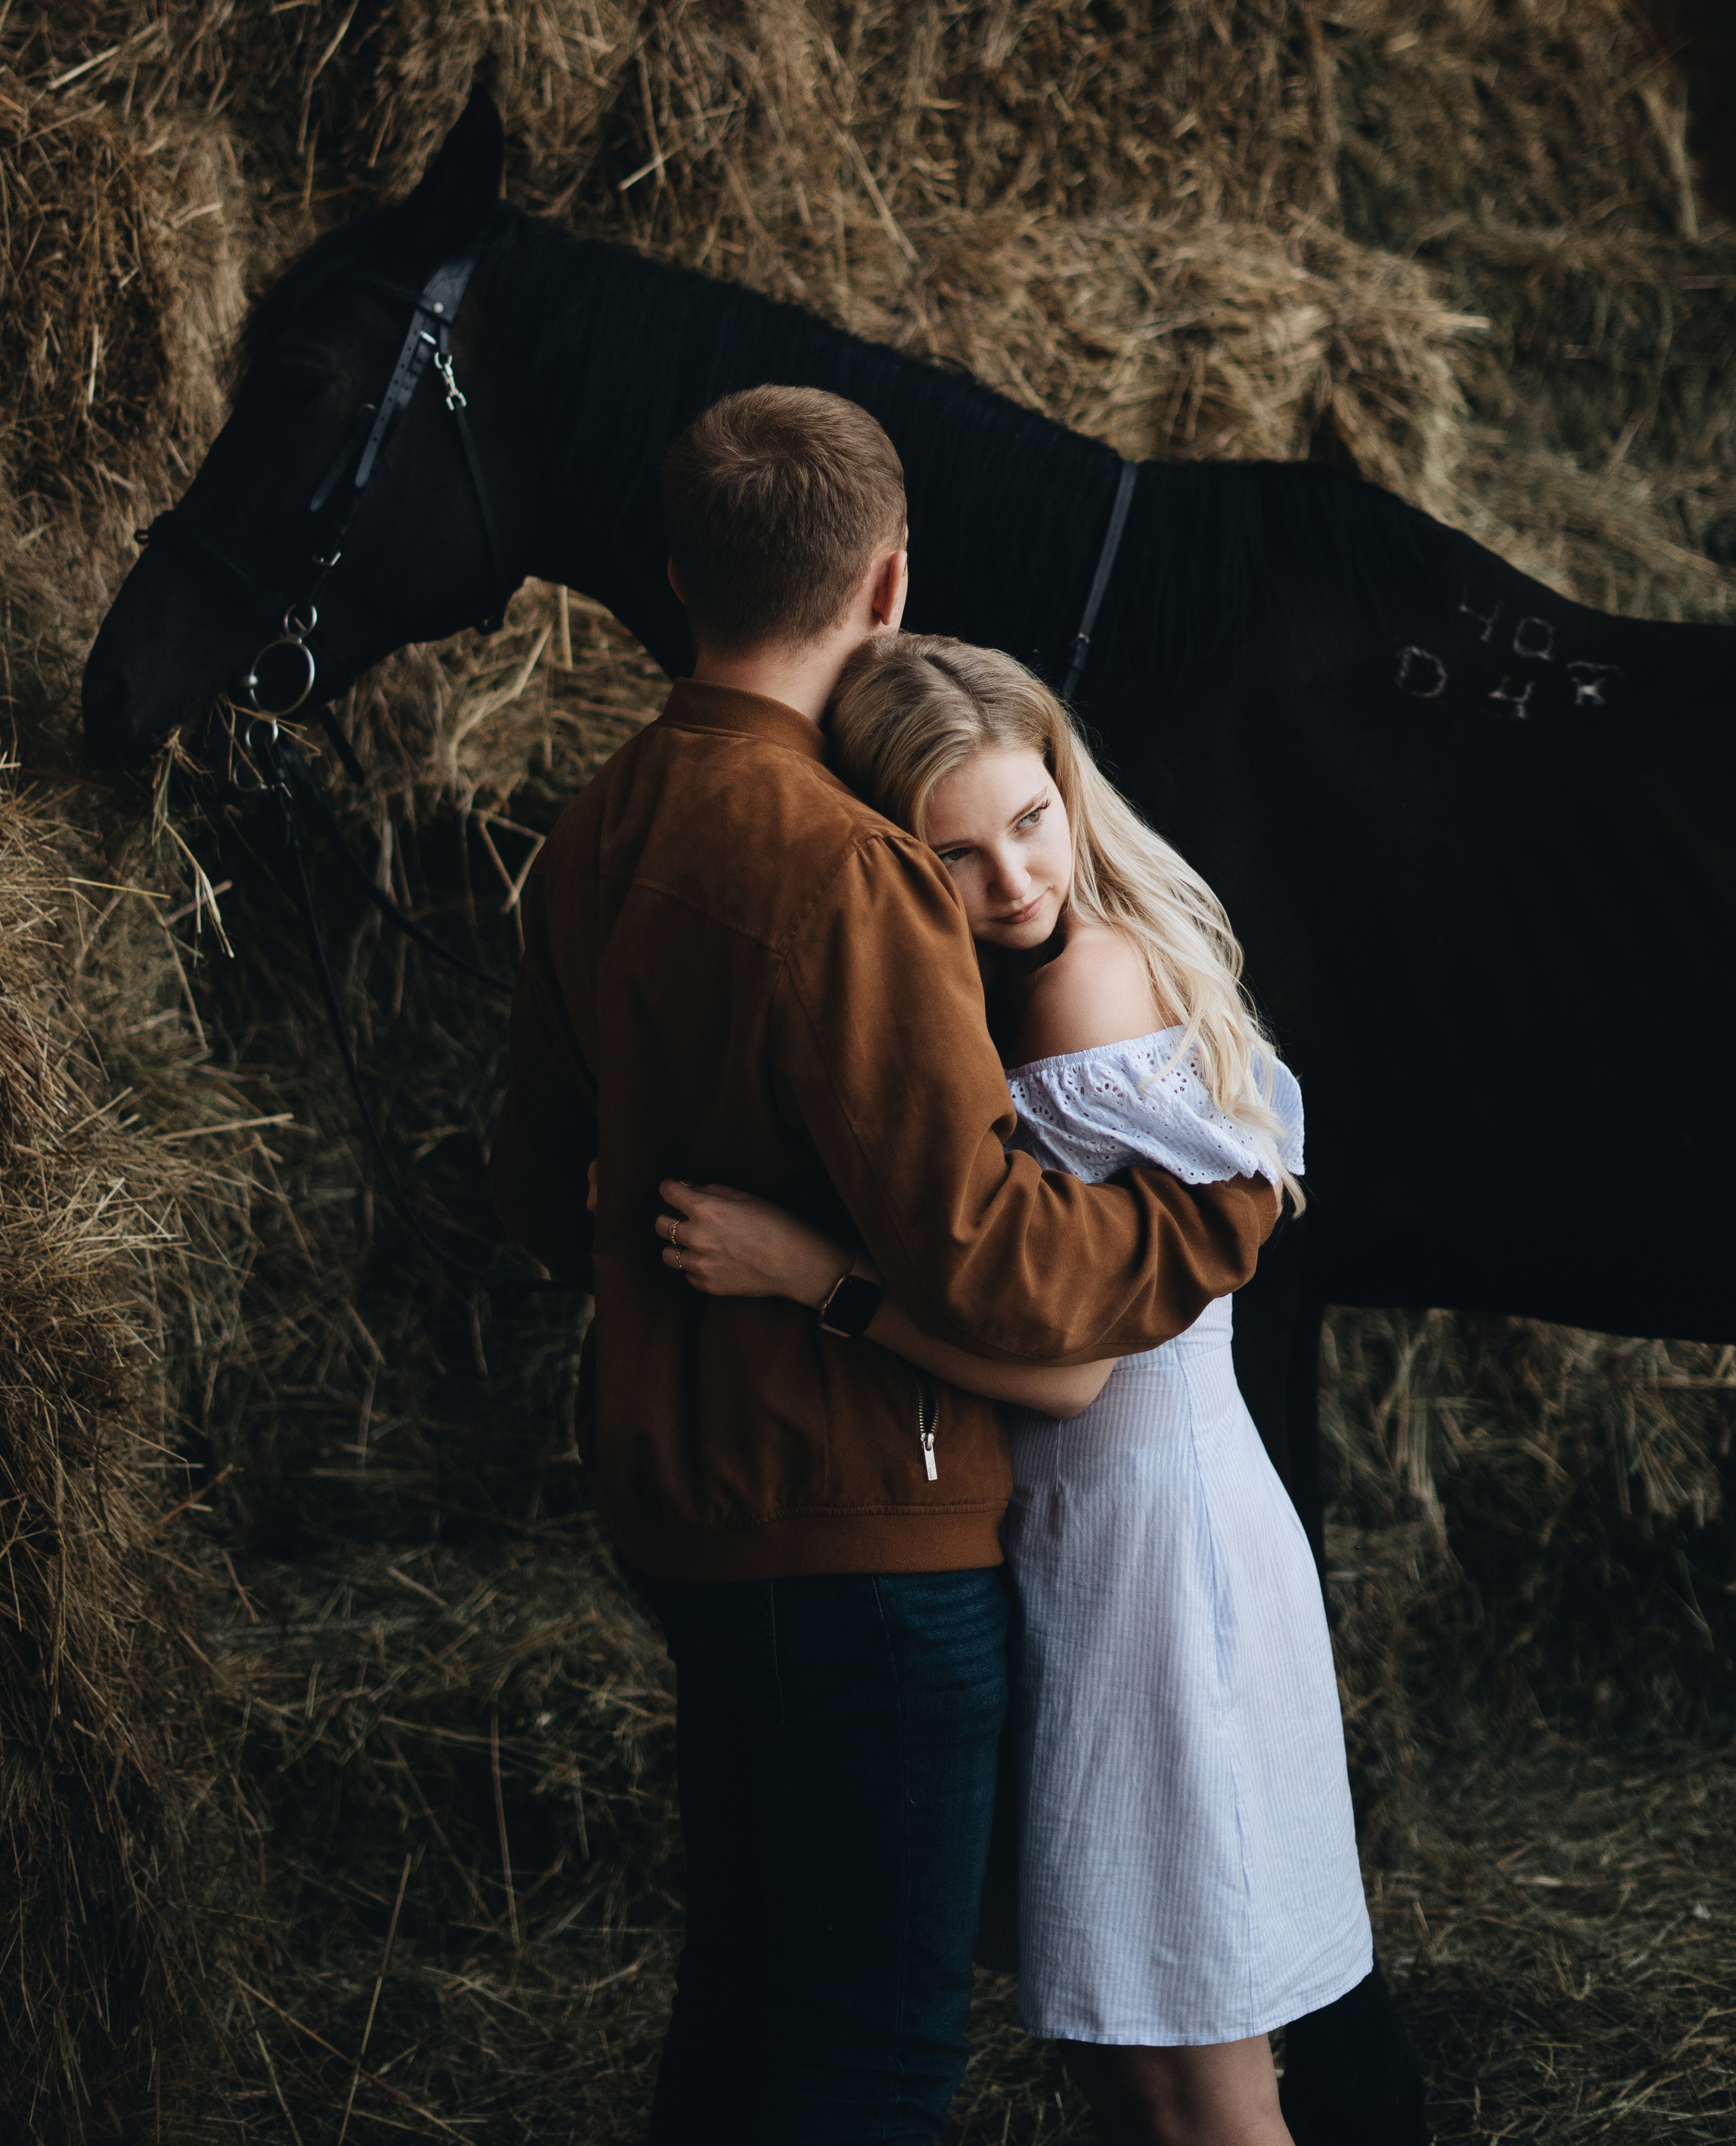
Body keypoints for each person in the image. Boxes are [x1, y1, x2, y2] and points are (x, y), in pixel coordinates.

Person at [487, 387, 1281, 2145]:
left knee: (740, 2022)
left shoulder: (595, 825)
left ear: (676, 576)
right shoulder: (850, 868)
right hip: (866, 1519)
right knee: (866, 2057)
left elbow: (548, 1204)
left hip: (683, 1511)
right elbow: (990, 1259)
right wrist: (1210, 1212)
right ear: (888, 583)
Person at [658, 632, 1374, 2146]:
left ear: (1067, 782)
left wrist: (813, 1277)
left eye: (1030, 819)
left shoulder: (1079, 989)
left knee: (1195, 2090)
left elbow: (1073, 1367)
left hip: (1147, 1554)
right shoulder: (1006, 982)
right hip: (1104, 1543)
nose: (1014, 881)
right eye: (959, 853)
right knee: (1121, 2063)